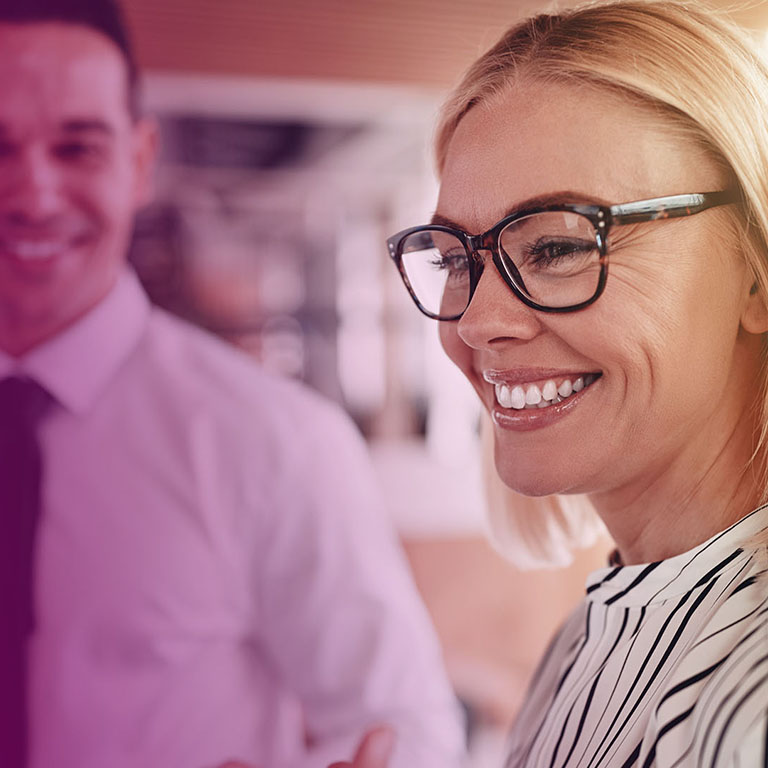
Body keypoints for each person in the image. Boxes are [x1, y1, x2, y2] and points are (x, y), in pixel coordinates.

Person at [0, 1, 466, 767]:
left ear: (141, 160)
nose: (32, 195)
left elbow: (404, 728)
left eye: (77, 148)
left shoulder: (276, 441)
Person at [384, 1, 768, 766]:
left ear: (754, 274)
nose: (476, 322)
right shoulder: (577, 649)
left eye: (557, 246)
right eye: (459, 259)